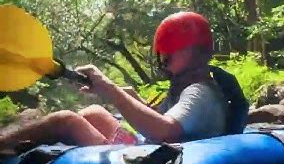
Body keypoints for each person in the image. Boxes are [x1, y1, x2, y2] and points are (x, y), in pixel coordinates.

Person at [0, 12, 247, 152]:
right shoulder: (196, 87)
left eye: (168, 53)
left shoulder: (198, 92)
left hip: (152, 159)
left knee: (65, 120)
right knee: (95, 112)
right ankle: (19, 148)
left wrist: (112, 91)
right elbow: (171, 123)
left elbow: (165, 131)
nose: (163, 58)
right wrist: (129, 98)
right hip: (148, 150)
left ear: (189, 52)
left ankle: (4, 145)